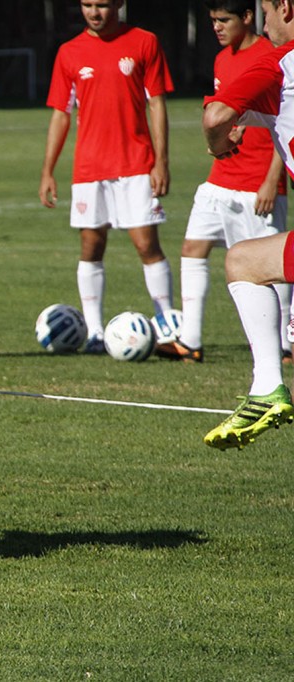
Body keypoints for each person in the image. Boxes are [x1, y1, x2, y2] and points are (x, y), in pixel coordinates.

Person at [156, 0, 290, 364]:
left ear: (248, 17)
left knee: (271, 268)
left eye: (224, 20)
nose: (217, 27)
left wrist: (271, 180)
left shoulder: (274, 55)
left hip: (255, 184)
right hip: (220, 180)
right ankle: (191, 340)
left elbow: (285, 123)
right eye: (212, 20)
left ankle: (284, 346)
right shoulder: (222, 59)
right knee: (192, 248)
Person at [40, 0, 175, 353]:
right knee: (91, 246)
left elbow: (157, 104)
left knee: (147, 245)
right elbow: (60, 115)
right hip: (90, 167)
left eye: (102, 4)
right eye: (87, 5)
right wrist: (48, 171)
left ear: (118, 4)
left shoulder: (144, 42)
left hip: (136, 164)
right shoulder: (69, 52)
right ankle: (96, 334)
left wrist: (161, 161)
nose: (94, 12)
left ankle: (166, 328)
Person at [201, 0, 294, 449]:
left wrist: (221, 144)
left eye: (264, 10)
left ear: (286, 8)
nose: (263, 21)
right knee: (245, 259)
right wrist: (248, 119)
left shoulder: (279, 62)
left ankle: (268, 387)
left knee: (240, 263)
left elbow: (215, 116)